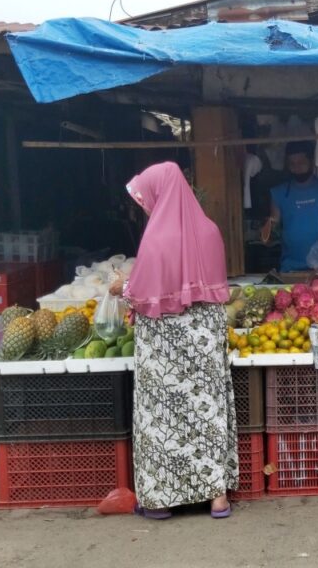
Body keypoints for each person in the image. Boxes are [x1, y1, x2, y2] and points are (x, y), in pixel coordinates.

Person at [110, 162, 239, 520]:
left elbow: (140, 293)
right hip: (204, 339)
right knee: (206, 409)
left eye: (145, 199)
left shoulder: (156, 237)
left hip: (163, 346)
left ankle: (161, 500)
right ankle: (217, 498)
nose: (146, 207)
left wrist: (120, 286)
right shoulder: (210, 230)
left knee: (162, 415)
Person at [260, 141, 318, 271]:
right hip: (291, 266)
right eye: (292, 164)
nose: (296, 167)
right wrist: (267, 233)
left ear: (312, 161)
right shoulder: (279, 193)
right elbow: (274, 227)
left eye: (301, 162)